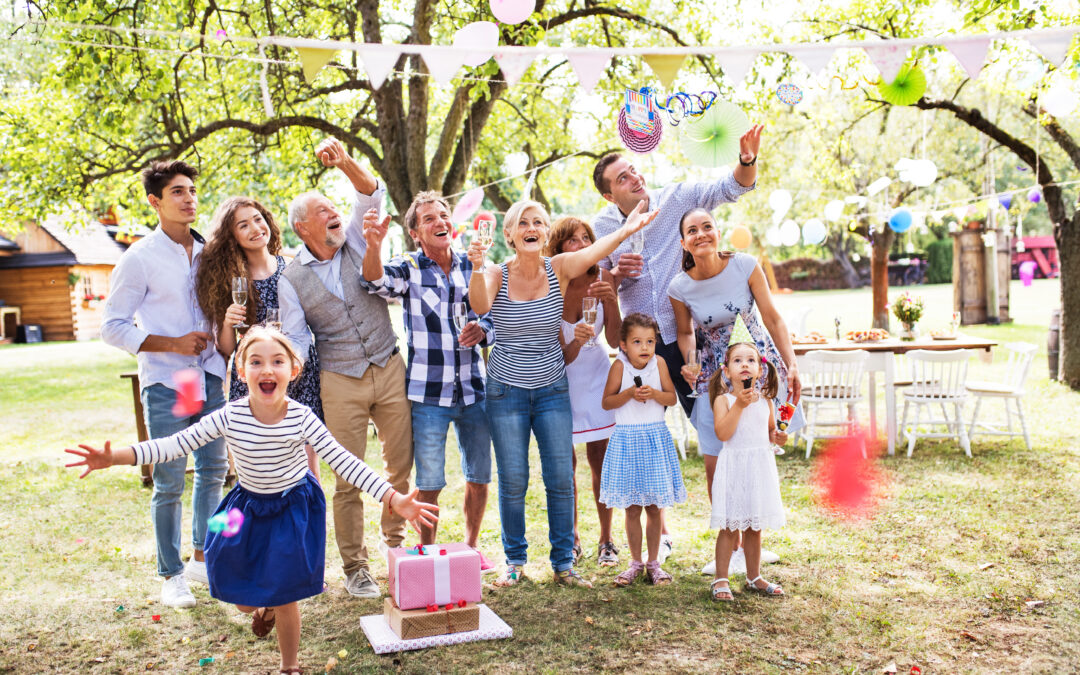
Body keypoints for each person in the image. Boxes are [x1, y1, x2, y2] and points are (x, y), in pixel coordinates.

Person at [65, 326, 438, 674]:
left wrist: (392, 498)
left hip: (293, 508)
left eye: (277, 361)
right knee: (240, 592)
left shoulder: (302, 418)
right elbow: (173, 445)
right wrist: (116, 457)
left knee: (285, 590)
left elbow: (346, 462)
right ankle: (263, 606)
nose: (267, 369)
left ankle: (289, 665)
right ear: (241, 372)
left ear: (293, 370)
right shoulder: (230, 416)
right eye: (255, 361)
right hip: (246, 507)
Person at [590, 124, 764, 564]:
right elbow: (595, 279)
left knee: (716, 438)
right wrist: (614, 274)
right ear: (610, 196)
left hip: (687, 345)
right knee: (643, 437)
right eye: (623, 178)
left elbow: (732, 188)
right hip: (639, 348)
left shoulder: (677, 198)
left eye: (634, 170)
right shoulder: (603, 225)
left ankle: (739, 542)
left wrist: (745, 161)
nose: (635, 178)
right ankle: (659, 538)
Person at [467, 199, 658, 588]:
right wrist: (474, 266)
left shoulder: (558, 268)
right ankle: (515, 562)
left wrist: (626, 229)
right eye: (523, 222)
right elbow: (480, 303)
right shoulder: (495, 272)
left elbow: (592, 252)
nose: (531, 226)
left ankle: (563, 565)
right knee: (514, 478)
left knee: (559, 477)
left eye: (539, 221)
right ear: (510, 234)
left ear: (545, 231)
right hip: (507, 391)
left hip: (553, 387)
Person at [278, 138, 413, 599]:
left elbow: (371, 193)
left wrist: (344, 162)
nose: (333, 213)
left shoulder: (356, 237)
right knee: (348, 475)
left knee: (399, 469)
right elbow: (297, 336)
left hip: (389, 365)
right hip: (340, 379)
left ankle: (395, 547)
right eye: (322, 211)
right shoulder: (291, 279)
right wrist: (285, 363)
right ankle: (356, 567)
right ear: (302, 227)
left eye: (333, 207)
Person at [100, 160, 228, 608]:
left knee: (213, 472)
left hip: (209, 377)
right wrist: (171, 343)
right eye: (177, 191)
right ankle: (170, 574)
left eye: (192, 189)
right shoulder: (139, 258)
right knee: (170, 478)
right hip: (169, 382)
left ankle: (202, 555)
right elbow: (112, 326)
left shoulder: (212, 250)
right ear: (155, 202)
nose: (189, 197)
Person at [359, 192, 494, 568]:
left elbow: (493, 314)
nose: (440, 222)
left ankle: (470, 547)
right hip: (427, 393)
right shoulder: (408, 267)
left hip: (473, 389)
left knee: (479, 475)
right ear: (416, 233)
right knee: (430, 481)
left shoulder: (474, 265)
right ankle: (430, 554)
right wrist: (373, 245)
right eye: (429, 219)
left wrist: (483, 330)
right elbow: (373, 280)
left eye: (444, 215)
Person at [668, 207, 803, 575]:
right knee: (717, 464)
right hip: (715, 374)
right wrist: (690, 360)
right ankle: (733, 546)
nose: (701, 234)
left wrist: (790, 364)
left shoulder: (745, 265)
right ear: (684, 242)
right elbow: (684, 332)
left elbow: (773, 317)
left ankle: (752, 549)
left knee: (755, 453)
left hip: (757, 366)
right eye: (692, 230)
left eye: (706, 227)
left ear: (717, 231)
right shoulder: (679, 286)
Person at [195, 196, 323, 479]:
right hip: (256, 377)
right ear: (232, 237)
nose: (255, 228)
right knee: (260, 466)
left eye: (257, 219)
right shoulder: (230, 280)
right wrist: (228, 323)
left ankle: (310, 518)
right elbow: (228, 349)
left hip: (299, 371)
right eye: (243, 225)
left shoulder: (291, 267)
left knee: (307, 464)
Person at [545, 216, 621, 567]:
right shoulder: (551, 285)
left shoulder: (604, 278)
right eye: (572, 240)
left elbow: (617, 341)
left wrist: (612, 301)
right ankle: (571, 540)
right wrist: (575, 340)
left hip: (597, 380)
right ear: (559, 248)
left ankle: (606, 540)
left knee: (600, 464)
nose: (580, 244)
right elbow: (560, 356)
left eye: (585, 237)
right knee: (566, 468)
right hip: (561, 382)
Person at [599, 314, 687, 587]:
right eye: (637, 341)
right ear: (624, 344)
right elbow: (606, 402)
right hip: (627, 441)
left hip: (653, 439)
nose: (645, 347)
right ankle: (635, 562)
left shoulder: (659, 364)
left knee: (653, 507)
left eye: (650, 341)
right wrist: (629, 394)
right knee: (632, 508)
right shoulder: (619, 367)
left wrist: (654, 395)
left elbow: (671, 398)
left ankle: (653, 563)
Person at [706, 340, 786, 601]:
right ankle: (721, 579)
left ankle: (754, 576)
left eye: (751, 360)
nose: (745, 365)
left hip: (758, 469)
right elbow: (723, 433)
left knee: (754, 524)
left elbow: (770, 432)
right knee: (730, 526)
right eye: (738, 360)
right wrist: (739, 405)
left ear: (759, 370)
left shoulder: (766, 402)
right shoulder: (724, 400)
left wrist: (778, 436)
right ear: (726, 371)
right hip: (734, 469)